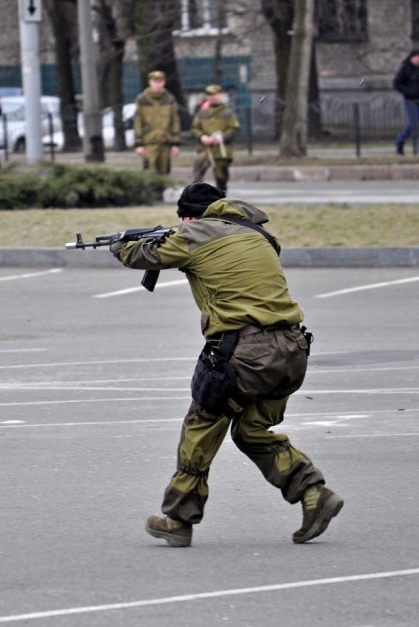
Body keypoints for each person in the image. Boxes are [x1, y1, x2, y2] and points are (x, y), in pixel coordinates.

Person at [110, 182, 344, 548]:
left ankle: (178, 519)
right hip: (292, 351)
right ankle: (314, 494)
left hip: (248, 355)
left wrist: (119, 244)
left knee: (201, 426)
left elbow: (142, 255)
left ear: (189, 216)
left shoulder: (193, 233)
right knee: (251, 431)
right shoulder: (259, 234)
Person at [190, 84, 240, 193]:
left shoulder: (227, 113)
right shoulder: (202, 113)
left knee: (221, 177)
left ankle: (221, 199)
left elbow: (233, 129)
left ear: (220, 95)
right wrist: (202, 136)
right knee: (198, 171)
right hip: (205, 148)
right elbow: (195, 128)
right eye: (210, 95)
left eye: (215, 94)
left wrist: (221, 137)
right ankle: (196, 198)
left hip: (222, 150)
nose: (213, 97)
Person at [133, 71, 180, 175]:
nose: (158, 84)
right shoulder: (142, 99)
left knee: (164, 173)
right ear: (150, 82)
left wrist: (175, 143)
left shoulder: (169, 99)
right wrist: (139, 143)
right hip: (149, 142)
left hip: (165, 141)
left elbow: (174, 121)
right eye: (155, 81)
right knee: (150, 173)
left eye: (161, 81)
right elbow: (138, 122)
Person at [392, 48, 419, 156]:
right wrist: (408, 91)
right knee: (413, 124)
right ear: (412, 58)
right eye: (417, 58)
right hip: (410, 101)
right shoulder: (405, 68)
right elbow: (397, 83)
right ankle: (400, 141)